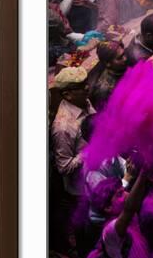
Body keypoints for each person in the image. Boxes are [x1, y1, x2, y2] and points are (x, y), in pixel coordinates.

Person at [51, 66, 96, 196]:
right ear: (67, 95)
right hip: (83, 187)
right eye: (81, 87)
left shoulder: (83, 100)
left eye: (86, 83)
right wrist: (90, 149)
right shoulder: (63, 127)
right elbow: (64, 167)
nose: (87, 88)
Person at [89, 40, 128, 110]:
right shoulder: (104, 91)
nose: (125, 58)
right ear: (108, 63)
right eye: (120, 58)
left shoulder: (124, 66)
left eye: (124, 54)